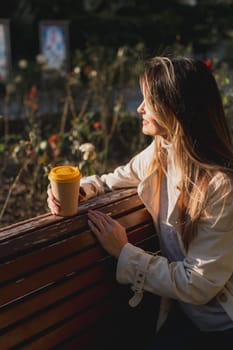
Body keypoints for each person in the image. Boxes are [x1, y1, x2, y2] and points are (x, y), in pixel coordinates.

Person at [47, 56, 233, 348]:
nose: (140, 108)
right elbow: (114, 178)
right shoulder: (162, 150)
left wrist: (124, 252)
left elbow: (198, 285)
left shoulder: (221, 186)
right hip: (186, 315)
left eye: (148, 101)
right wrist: (82, 190)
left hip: (221, 326)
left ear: (174, 109)